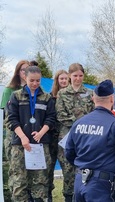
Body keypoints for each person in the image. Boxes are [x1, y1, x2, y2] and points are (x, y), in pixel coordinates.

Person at [65, 79, 115, 202]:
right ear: (111, 99)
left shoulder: (79, 123)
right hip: (101, 185)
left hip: (79, 182)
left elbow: (69, 153)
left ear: (93, 99)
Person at [6, 66, 56, 202]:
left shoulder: (46, 97)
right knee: (19, 181)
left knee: (40, 181)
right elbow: (11, 119)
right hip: (20, 145)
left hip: (40, 145)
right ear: (25, 78)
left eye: (38, 81)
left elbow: (51, 118)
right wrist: (23, 137)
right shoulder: (16, 96)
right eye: (32, 80)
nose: (35, 84)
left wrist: (40, 133)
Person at [56, 63, 94, 202]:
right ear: (70, 76)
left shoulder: (90, 93)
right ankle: (68, 197)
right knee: (68, 171)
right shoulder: (62, 93)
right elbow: (60, 115)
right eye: (75, 76)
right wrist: (79, 123)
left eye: (80, 75)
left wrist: (85, 126)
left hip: (86, 138)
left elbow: (93, 114)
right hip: (67, 137)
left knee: (86, 169)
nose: (78, 78)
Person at [0, 60, 30, 201]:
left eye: (28, 69)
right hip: (14, 138)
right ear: (18, 72)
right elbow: (7, 116)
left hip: (30, 138)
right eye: (23, 70)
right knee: (16, 174)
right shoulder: (9, 91)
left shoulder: (35, 89)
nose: (25, 72)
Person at [48, 70, 69, 201]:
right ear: (57, 80)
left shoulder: (71, 96)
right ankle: (48, 195)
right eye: (61, 79)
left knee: (67, 168)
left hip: (65, 138)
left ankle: (68, 195)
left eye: (66, 79)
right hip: (50, 138)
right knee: (48, 169)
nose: (63, 81)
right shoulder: (49, 97)